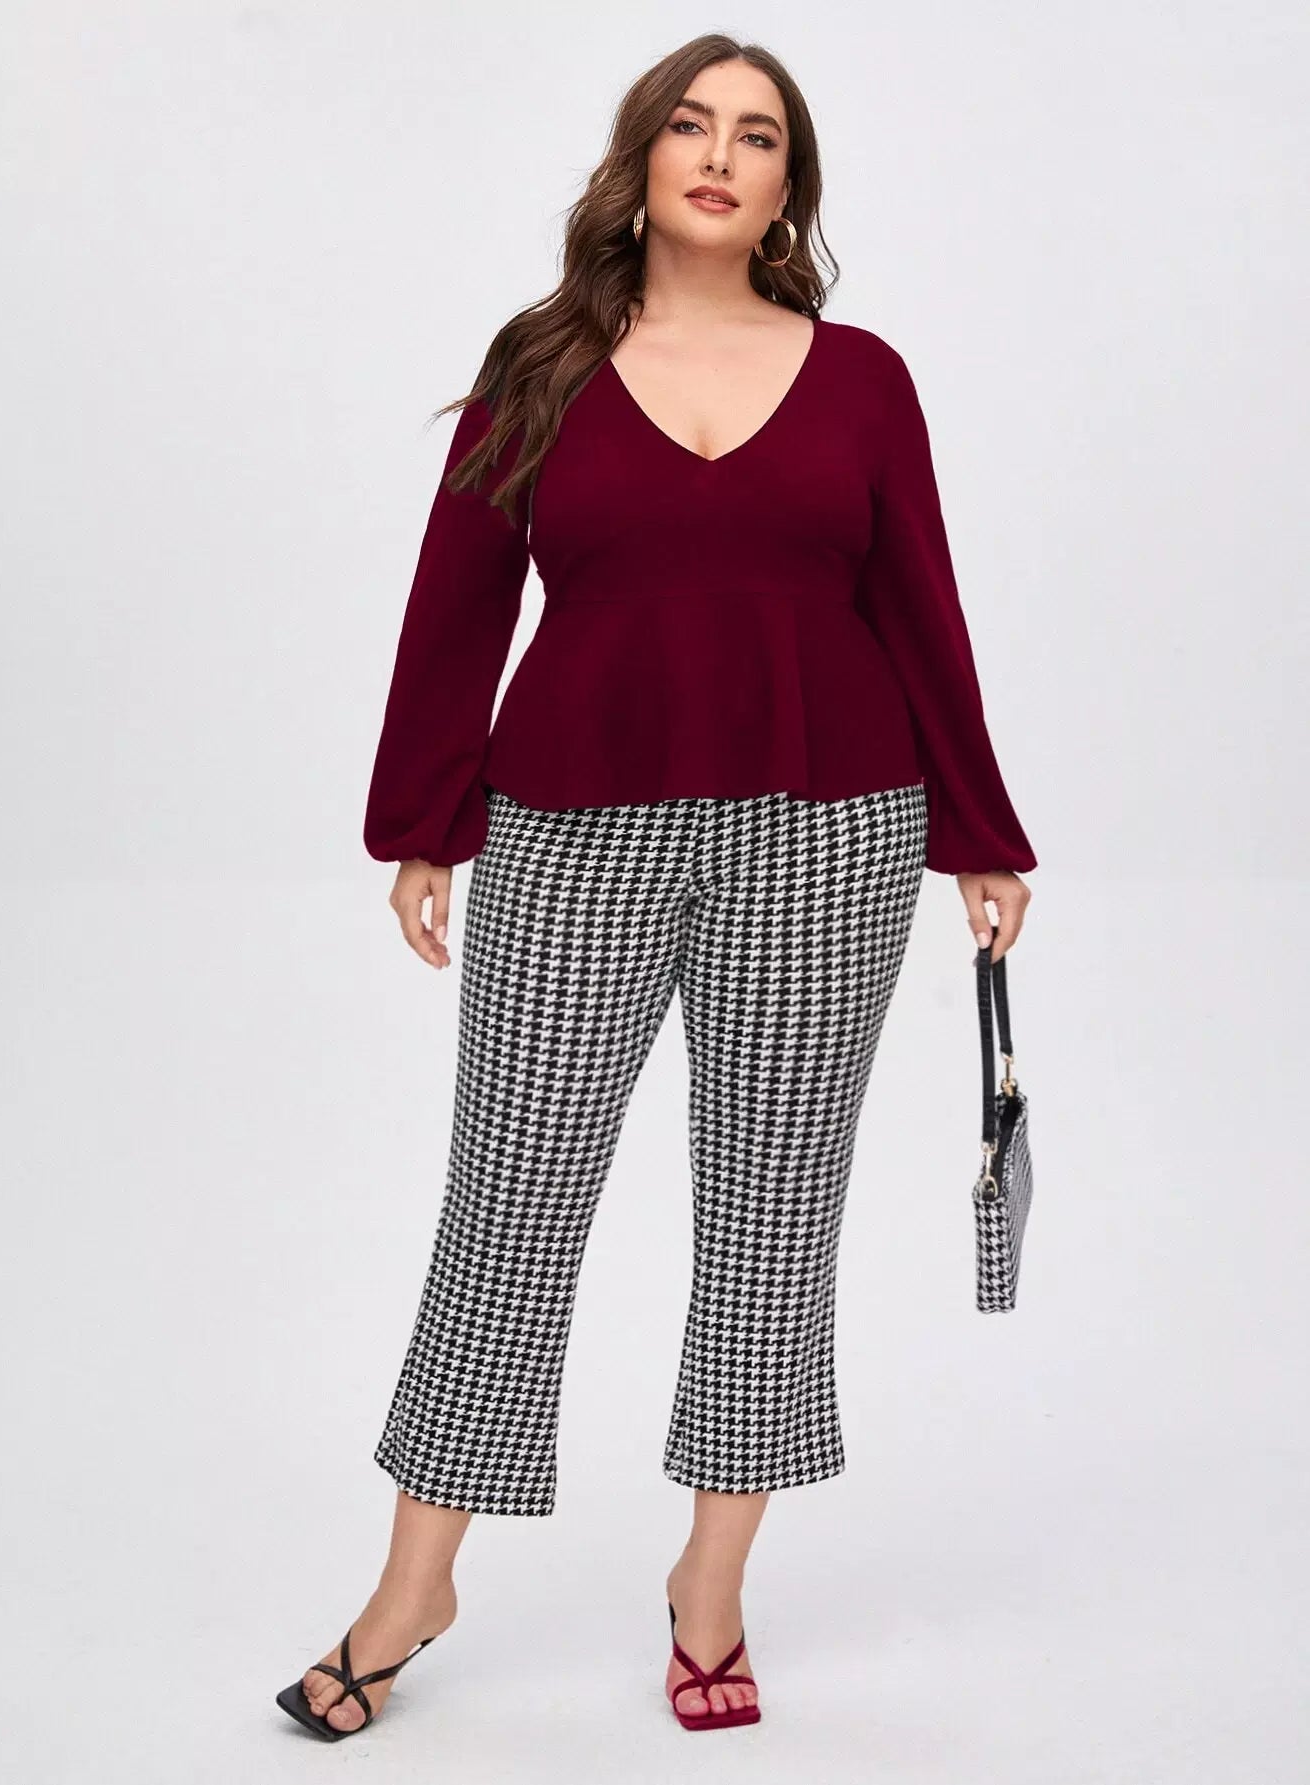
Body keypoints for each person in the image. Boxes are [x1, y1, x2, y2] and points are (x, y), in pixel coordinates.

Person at [276, 32, 1035, 1742]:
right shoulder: (543, 363)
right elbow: (457, 600)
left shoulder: (864, 381)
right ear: (640, 161)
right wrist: (424, 818)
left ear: (786, 189)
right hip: (573, 830)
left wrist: (979, 830)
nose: (719, 154)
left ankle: (712, 1581)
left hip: (829, 833)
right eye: (692, 124)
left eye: (757, 137)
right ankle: (413, 1586)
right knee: (508, 1203)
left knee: (772, 1214)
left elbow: (921, 606)